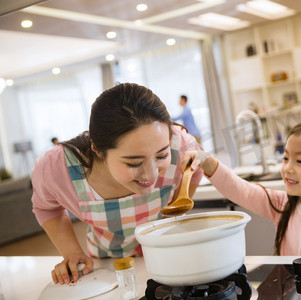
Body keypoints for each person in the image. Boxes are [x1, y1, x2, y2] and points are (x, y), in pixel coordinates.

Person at [31, 83, 203, 285]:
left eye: (161, 155)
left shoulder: (179, 143)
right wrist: (71, 252)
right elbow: (46, 208)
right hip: (108, 267)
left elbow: (196, 170)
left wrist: (174, 211)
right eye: (134, 162)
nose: (150, 174)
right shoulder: (55, 167)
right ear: (97, 149)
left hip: (169, 257)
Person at [182, 119, 301, 256]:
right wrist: (207, 161)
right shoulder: (282, 204)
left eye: (300, 161)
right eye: (286, 158)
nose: (287, 168)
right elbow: (240, 189)